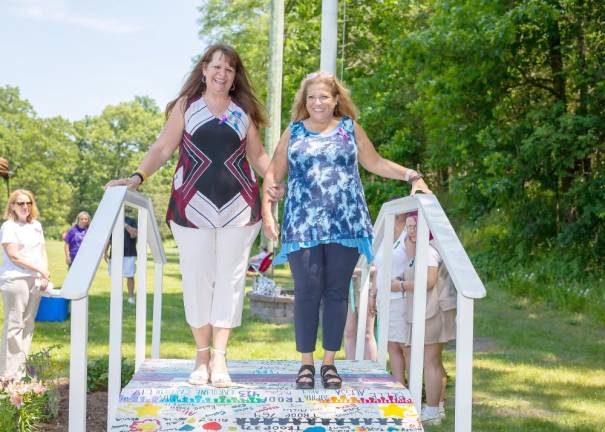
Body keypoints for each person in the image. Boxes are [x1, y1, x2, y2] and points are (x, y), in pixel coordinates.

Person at [106, 44, 282, 387]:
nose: (222, 74)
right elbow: (161, 148)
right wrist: (137, 177)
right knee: (198, 280)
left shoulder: (241, 111)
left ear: (235, 78)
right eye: (216, 67)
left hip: (239, 209)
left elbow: (259, 156)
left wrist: (275, 182)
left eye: (229, 70)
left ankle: (220, 359)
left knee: (230, 282)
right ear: (204, 70)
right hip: (191, 209)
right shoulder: (188, 108)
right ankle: (201, 356)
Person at [262, 71, 431, 390]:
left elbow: (375, 163)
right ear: (304, 101)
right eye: (311, 97)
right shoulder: (294, 132)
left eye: (324, 96)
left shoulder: (349, 129)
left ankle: (329, 363)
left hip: (345, 222)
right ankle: (306, 365)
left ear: (336, 99)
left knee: (337, 292)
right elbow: (273, 173)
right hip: (303, 224)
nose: (317, 102)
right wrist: (268, 209)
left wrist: (412, 175)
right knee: (307, 293)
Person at [401, 212, 456, 425]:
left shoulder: (429, 251)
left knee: (430, 363)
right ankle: (438, 406)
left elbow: (429, 281)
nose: (411, 231)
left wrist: (402, 286)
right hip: (432, 310)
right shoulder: (424, 249)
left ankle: (432, 410)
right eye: (408, 227)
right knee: (435, 362)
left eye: (414, 226)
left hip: (433, 311)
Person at [0, 189, 50, 379]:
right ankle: (7, 374)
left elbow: (42, 252)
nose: (24, 207)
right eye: (20, 203)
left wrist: (43, 275)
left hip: (35, 280)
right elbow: (14, 256)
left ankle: (20, 370)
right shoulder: (9, 226)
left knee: (28, 324)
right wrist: (39, 270)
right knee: (14, 325)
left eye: (28, 203)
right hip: (15, 279)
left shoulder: (36, 225)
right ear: (12, 206)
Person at [367, 212, 410, 384]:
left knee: (405, 346)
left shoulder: (410, 235)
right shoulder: (384, 237)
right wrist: (372, 295)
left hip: (402, 298)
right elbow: (377, 268)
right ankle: (399, 390)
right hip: (383, 299)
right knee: (391, 346)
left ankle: (414, 390)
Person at [343, 267, 377, 361]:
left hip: (367, 285)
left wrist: (352, 269)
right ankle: (351, 370)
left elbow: (378, 266)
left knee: (367, 333)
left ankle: (370, 371)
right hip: (346, 285)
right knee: (349, 332)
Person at [105, 215, 138, 304]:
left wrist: (125, 226)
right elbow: (108, 238)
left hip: (129, 253)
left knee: (130, 276)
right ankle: (116, 297)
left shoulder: (131, 220)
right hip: (115, 254)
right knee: (115, 276)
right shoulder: (112, 220)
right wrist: (105, 252)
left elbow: (135, 233)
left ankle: (131, 298)